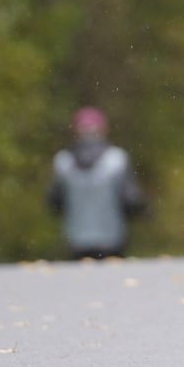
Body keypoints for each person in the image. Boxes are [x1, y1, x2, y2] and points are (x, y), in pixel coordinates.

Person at [47, 107, 147, 260]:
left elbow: (54, 202)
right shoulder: (116, 159)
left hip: (76, 238)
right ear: (104, 129)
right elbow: (131, 200)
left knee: (81, 282)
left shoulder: (63, 162)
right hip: (112, 238)